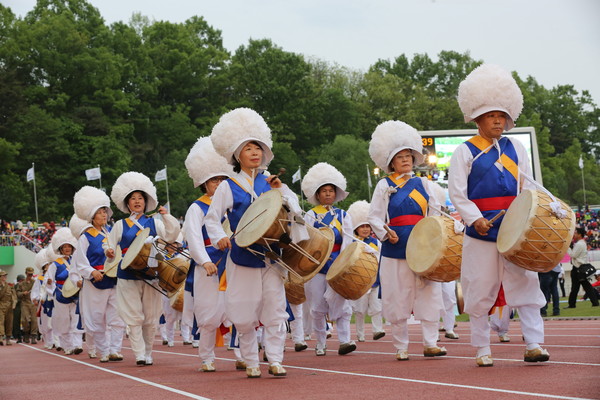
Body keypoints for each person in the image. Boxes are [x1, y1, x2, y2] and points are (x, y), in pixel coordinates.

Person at [449, 64, 549, 367]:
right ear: (478, 118)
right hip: (480, 230)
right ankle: (482, 348)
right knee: (480, 287)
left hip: (514, 229)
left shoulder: (515, 147)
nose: (498, 120)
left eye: (501, 115)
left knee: (526, 284)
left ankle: (534, 344)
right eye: (492, 115)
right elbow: (457, 193)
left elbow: (528, 186)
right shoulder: (463, 152)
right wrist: (474, 218)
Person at [205, 108, 306, 378]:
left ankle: (274, 359)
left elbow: (296, 211)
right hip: (241, 256)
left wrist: (282, 191)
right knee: (243, 313)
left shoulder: (271, 183)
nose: (255, 152)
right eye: (248, 148)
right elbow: (212, 219)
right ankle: (251, 361)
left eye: (258, 148)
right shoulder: (228, 186)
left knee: (275, 311)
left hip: (271, 256)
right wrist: (220, 237)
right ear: (238, 155)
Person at [368, 120, 446, 361]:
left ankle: (431, 343)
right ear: (391, 162)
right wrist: (384, 233)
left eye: (408, 156)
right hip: (394, 247)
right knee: (396, 296)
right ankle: (401, 347)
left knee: (429, 293)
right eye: (399, 156)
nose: (405, 160)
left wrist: (432, 237)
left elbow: (435, 213)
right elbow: (374, 217)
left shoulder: (424, 183)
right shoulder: (384, 185)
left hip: (423, 248)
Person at [184, 136, 247, 372]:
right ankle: (207, 357)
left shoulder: (233, 204)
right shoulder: (196, 207)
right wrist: (204, 261)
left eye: (222, 179)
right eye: (214, 180)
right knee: (209, 316)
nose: (219, 183)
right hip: (209, 268)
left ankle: (244, 355)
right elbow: (193, 238)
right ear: (204, 183)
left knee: (240, 311)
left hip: (235, 263)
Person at [106, 171, 181, 366]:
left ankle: (148, 352)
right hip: (127, 275)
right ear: (127, 203)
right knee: (134, 317)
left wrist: (167, 216)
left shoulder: (155, 222)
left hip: (151, 274)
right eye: (133, 199)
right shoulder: (120, 225)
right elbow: (109, 244)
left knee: (150, 317)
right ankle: (139, 353)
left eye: (140, 198)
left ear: (146, 202)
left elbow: (172, 236)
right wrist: (110, 253)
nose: (137, 201)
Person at [301, 162, 357, 356]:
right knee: (317, 307)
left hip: (338, 264)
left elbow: (348, 240)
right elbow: (306, 239)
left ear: (335, 194)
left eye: (330, 191)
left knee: (341, 303)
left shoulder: (343, 215)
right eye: (323, 191)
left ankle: (345, 340)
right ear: (317, 194)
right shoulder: (311, 215)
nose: (327, 194)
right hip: (316, 265)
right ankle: (320, 342)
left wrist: (343, 262)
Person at [72, 186, 127, 363]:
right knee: (97, 318)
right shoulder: (85, 237)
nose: (104, 215)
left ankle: (115, 350)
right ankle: (103, 351)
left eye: (105, 212)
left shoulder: (111, 233)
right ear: (92, 216)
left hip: (114, 279)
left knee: (117, 317)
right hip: (95, 281)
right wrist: (92, 272)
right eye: (100, 212)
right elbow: (80, 262)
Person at [347, 200, 385, 342]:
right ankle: (360, 334)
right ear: (356, 228)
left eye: (367, 226)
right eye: (362, 226)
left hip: (375, 280)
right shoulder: (352, 243)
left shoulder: (376, 243)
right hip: (359, 281)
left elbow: (381, 259)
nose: (365, 229)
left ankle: (377, 330)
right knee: (360, 310)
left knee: (377, 307)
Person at [46, 227, 83, 355]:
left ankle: (77, 344)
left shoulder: (77, 261)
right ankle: (67, 346)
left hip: (75, 294)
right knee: (64, 320)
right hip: (61, 295)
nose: (67, 249)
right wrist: (51, 286)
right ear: (60, 249)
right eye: (64, 246)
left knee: (76, 318)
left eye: (69, 246)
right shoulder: (54, 264)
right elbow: (49, 281)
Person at [31, 247, 57, 349]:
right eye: (46, 265)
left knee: (55, 321)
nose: (48, 267)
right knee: (46, 323)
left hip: (54, 301)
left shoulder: (55, 275)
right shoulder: (39, 278)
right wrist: (35, 298)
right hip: (44, 302)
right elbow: (35, 291)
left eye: (49, 264)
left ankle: (56, 341)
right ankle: (48, 342)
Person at [566, 228, 599, 308]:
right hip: (580, 268)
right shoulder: (581, 243)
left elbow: (573, 255)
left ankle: (572, 304)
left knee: (576, 287)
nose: (574, 235)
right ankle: (594, 302)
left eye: (576, 233)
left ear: (580, 234)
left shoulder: (579, 244)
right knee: (583, 286)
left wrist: (568, 247)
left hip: (578, 268)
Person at [15, 266, 39, 344]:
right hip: (24, 303)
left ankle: (33, 336)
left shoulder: (35, 282)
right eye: (29, 274)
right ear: (26, 274)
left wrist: (37, 299)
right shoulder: (21, 284)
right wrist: (23, 293)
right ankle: (26, 334)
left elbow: (39, 291)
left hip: (32, 302)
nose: (30, 276)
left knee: (34, 320)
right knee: (25, 320)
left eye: (31, 274)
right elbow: (17, 293)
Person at [0, 269, 17, 346]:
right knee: (1, 322)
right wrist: (2, 287)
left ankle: (8, 338)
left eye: (5, 275)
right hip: (1, 306)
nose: (4, 277)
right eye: (3, 276)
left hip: (10, 306)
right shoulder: (1, 286)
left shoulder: (10, 285)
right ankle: (0, 337)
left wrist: (14, 304)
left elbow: (14, 296)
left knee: (9, 323)